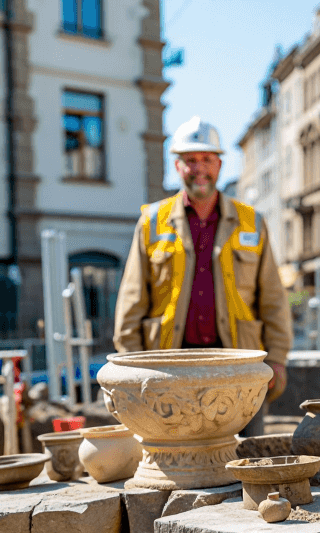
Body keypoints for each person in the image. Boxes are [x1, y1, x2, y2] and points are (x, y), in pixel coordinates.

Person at [114, 116, 292, 436]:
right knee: (175, 456)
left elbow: (273, 298)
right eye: (191, 160)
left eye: (207, 159)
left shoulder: (251, 222)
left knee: (247, 457)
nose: (199, 169)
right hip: (169, 371)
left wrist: (277, 359)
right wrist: (131, 367)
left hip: (240, 369)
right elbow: (132, 300)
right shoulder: (152, 222)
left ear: (220, 165)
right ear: (177, 166)